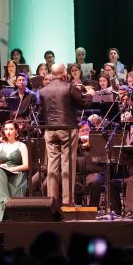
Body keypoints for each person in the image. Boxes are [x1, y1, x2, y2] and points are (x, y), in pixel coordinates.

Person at [37, 63, 89, 206]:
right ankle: (67, 202)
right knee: (67, 165)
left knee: (52, 166)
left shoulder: (43, 90)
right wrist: (90, 94)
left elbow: (42, 111)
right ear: (64, 72)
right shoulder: (68, 86)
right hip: (67, 129)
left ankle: (51, 201)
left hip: (49, 129)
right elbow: (83, 102)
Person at [0, 120, 29, 222]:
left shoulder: (21, 145)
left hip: (16, 174)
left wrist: (11, 169)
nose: (8, 131)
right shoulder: (1, 146)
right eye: (6, 129)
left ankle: (5, 204)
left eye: (11, 129)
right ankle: (5, 201)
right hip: (2, 173)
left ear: (16, 131)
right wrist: (2, 167)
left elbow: (26, 166)